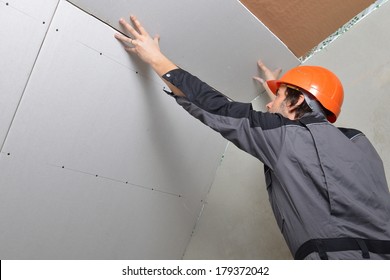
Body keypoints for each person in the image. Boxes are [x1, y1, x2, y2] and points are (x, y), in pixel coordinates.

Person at [114, 16, 390, 260]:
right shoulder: (359, 143)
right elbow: (308, 140)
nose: (269, 106)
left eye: (279, 99)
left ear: (296, 103)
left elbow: (216, 107)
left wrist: (156, 58)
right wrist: (283, 93)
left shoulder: (285, 139)